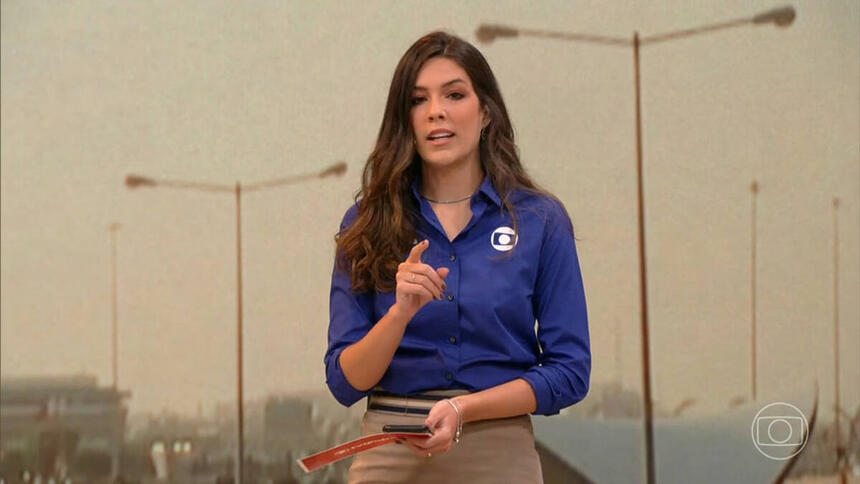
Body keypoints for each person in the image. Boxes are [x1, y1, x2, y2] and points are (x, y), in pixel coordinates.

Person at [325, 31, 590, 483]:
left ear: (486, 111)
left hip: (499, 449)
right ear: (404, 117)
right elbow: (345, 381)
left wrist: (464, 408)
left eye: (454, 94)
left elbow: (570, 371)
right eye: (418, 99)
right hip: (392, 449)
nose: (436, 111)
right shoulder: (366, 223)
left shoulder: (539, 220)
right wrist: (399, 315)